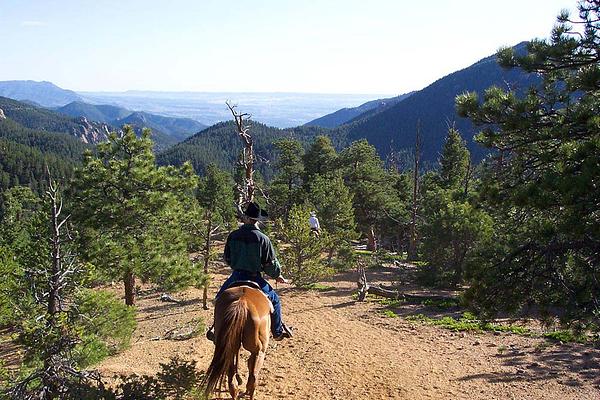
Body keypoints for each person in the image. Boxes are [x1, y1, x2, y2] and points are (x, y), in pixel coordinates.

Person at [206, 202, 293, 342]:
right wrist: (277, 275)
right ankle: (277, 332)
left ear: (245, 217)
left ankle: (216, 329)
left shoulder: (233, 235)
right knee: (275, 301)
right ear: (258, 220)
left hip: (236, 276)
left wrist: (237, 263)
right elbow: (270, 264)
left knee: (219, 299)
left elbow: (227, 258)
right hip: (255, 277)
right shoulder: (263, 239)